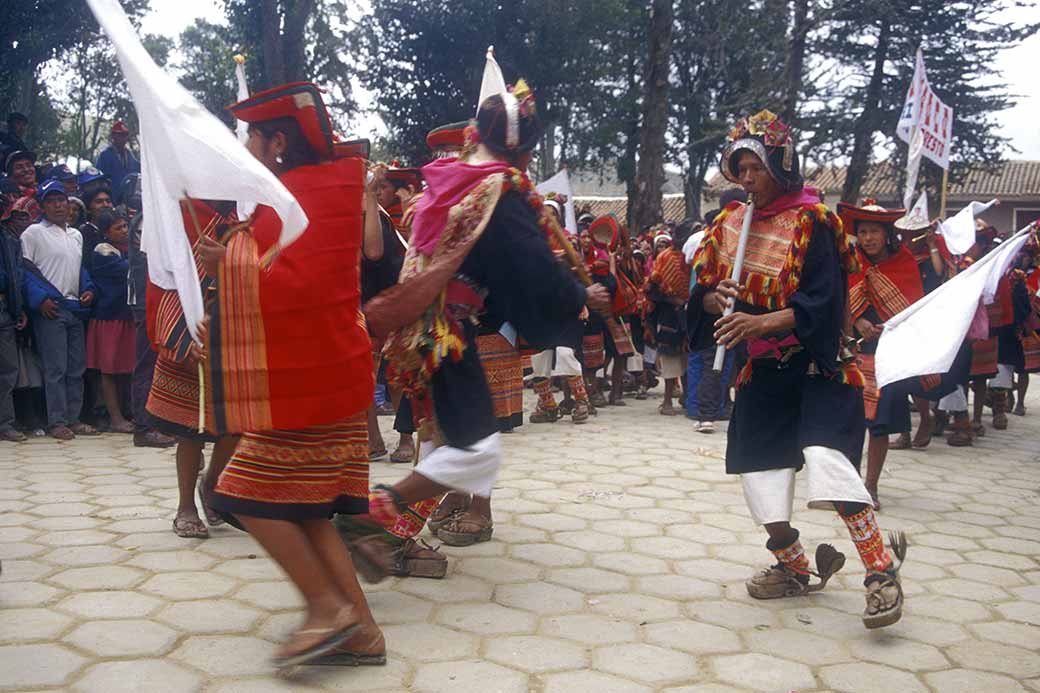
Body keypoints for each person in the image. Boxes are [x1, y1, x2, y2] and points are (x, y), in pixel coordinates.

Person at [365, 79, 608, 560]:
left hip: (422, 330)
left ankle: (389, 539)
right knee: (479, 453)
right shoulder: (500, 188)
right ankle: (374, 513)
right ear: (525, 150)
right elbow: (533, 270)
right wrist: (581, 295)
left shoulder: (452, 178)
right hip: (448, 331)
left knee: (443, 439)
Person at [690, 110, 906, 629]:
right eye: (738, 168)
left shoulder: (814, 224)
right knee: (760, 476)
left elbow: (826, 304)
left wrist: (761, 322)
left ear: (782, 168)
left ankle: (881, 572)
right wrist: (713, 301)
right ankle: (794, 567)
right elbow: (700, 296)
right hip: (762, 373)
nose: (745, 179)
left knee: (829, 462)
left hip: (818, 368)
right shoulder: (727, 225)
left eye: (756, 168)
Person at [202, 82, 382, 668]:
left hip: (315, 381)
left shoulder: (303, 194)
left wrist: (226, 261)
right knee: (305, 508)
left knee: (239, 494)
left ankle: (326, 610)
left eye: (251, 136)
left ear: (277, 142)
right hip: (323, 375)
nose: (246, 146)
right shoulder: (309, 189)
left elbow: (300, 287)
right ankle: (362, 633)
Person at [841, 200, 966, 509]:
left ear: (887, 234)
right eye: (863, 232)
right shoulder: (851, 262)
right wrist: (857, 320)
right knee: (851, 420)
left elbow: (912, 308)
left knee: (879, 423)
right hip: (854, 351)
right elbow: (840, 299)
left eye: (874, 232)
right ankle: (848, 482)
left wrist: (886, 327)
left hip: (889, 354)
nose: (868, 238)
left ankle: (871, 486)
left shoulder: (905, 261)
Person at [21, 180, 98, 440]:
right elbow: (25, 271)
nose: (58, 205)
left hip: (75, 308)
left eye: (62, 200)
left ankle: (74, 419)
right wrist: (39, 299)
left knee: (76, 367)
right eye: (51, 201)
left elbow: (79, 269)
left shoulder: (75, 235)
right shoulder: (33, 233)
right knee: (55, 368)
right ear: (42, 206)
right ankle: (57, 421)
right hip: (51, 309)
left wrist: (88, 288)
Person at [86, 210, 136, 433]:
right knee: (109, 370)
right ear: (107, 233)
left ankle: (127, 413)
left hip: (125, 318)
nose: (125, 231)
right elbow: (129, 270)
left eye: (126, 226)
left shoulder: (128, 251)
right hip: (109, 319)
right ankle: (115, 417)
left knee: (126, 368)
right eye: (118, 228)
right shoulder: (103, 252)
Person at [647, 229, 690, 415]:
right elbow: (653, 289)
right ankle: (666, 402)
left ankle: (688, 397)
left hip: (688, 313)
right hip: (669, 316)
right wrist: (674, 301)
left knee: (688, 358)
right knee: (671, 358)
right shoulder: (663, 258)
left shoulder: (692, 257)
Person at [0, 194, 28, 442]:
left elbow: (15, 275)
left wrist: (17, 308)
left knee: (8, 369)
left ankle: (5, 423)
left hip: (3, 307)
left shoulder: (8, 239)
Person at [96, 121, 141, 191]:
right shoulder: (105, 156)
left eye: (125, 135)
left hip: (128, 196)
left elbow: (139, 170)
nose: (124, 138)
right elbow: (99, 179)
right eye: (120, 135)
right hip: (112, 196)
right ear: (113, 136)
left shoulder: (129, 155)